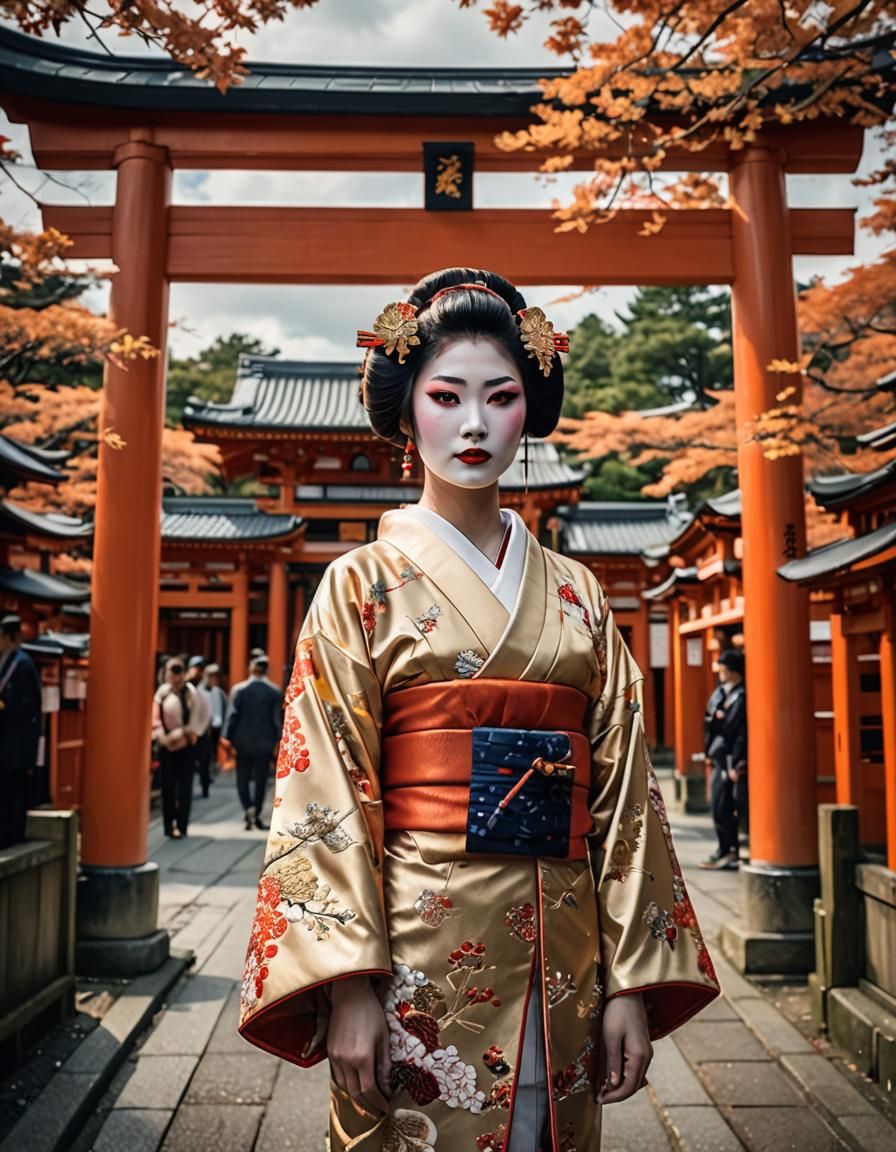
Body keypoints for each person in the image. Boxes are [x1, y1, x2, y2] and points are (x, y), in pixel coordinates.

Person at [238, 270, 720, 1152]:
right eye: (446, 396)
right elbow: (324, 791)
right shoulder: (360, 586)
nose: (472, 424)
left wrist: (629, 984)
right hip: (418, 952)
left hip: (569, 947)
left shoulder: (576, 592)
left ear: (528, 410)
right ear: (406, 412)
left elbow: (622, 801)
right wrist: (348, 982)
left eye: (500, 397)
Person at [700, 648, 747, 870]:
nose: (720, 673)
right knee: (718, 804)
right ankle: (724, 848)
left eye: (724, 669)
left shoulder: (741, 696)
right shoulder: (721, 693)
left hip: (731, 758)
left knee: (725, 804)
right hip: (718, 755)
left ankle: (731, 850)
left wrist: (737, 762)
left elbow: (739, 732)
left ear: (734, 672)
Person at [224, 654, 282, 832]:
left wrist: (227, 737)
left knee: (242, 777)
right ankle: (256, 812)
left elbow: (232, 716)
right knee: (261, 779)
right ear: (267, 669)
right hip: (265, 742)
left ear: (250, 668)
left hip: (242, 741)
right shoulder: (274, 691)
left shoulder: (240, 689)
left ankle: (247, 807)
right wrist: (278, 740)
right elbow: (276, 720)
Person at [0, 614, 42, 848]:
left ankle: (12, 835)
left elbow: (26, 707)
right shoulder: (9, 660)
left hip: (17, 742)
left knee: (13, 791)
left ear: (10, 637)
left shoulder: (22, 664)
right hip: (8, 739)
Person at [152, 656, 204, 838]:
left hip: (186, 744)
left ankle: (182, 825)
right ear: (165, 673)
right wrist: (163, 737)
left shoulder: (190, 693)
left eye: (178, 671)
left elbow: (196, 720)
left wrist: (182, 734)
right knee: (168, 787)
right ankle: (168, 825)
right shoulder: (162, 693)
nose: (175, 676)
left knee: (184, 788)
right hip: (166, 745)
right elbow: (155, 719)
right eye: (171, 671)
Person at [186, 655, 214, 798]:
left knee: (204, 764)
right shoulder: (186, 688)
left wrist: (200, 731)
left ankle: (204, 787)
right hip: (187, 732)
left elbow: (208, 714)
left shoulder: (205, 691)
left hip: (201, 733)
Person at [205, 663, 228, 773]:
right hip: (205, 727)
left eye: (215, 676)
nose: (213, 679)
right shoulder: (201, 691)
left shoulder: (219, 692)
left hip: (216, 726)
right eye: (211, 676)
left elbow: (223, 711)